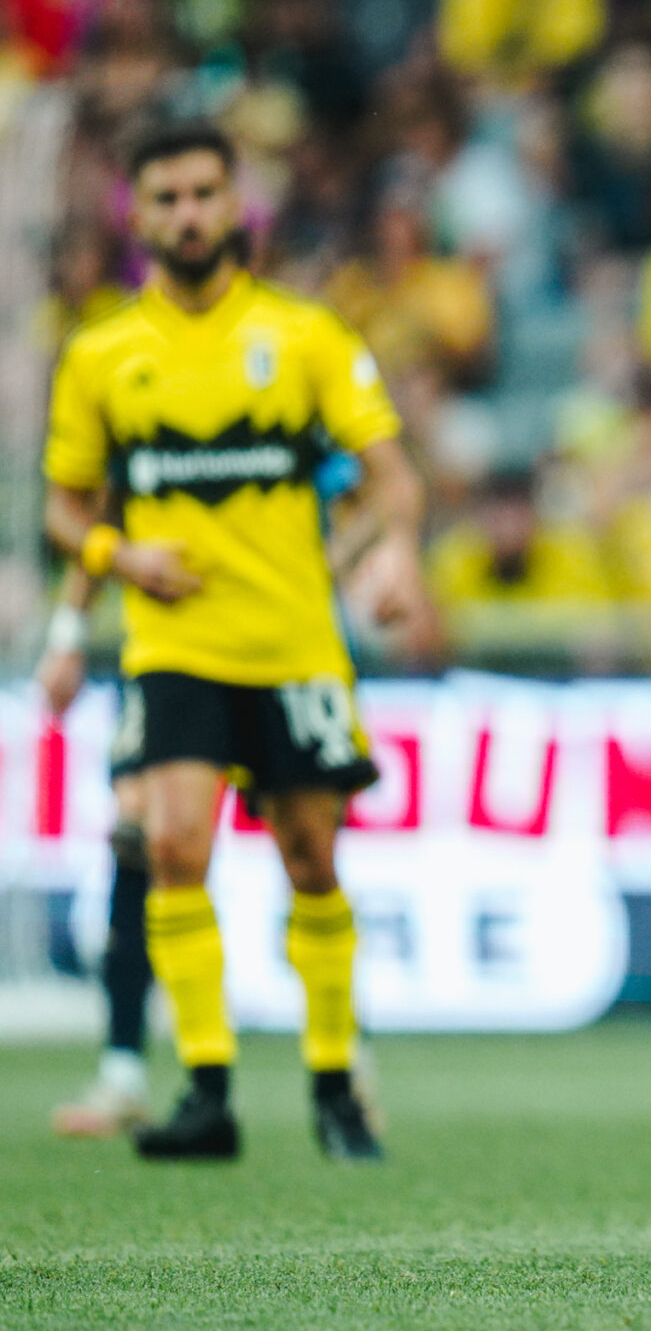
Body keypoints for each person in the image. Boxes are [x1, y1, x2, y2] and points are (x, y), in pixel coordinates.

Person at [42, 121, 428, 1163]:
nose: (187, 215)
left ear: (236, 203)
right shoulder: (101, 356)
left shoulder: (305, 336)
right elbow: (67, 509)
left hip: (294, 642)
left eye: (203, 193)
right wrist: (117, 560)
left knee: (312, 859)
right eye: (166, 198)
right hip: (175, 645)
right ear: (136, 215)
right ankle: (205, 1089)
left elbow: (392, 477)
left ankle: (334, 1082)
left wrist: (394, 552)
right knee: (172, 845)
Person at [34, 562, 157, 1139]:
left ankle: (342, 1071)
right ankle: (123, 1074)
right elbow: (92, 527)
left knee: (304, 842)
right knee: (136, 833)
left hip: (277, 638)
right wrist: (69, 634)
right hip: (169, 649)